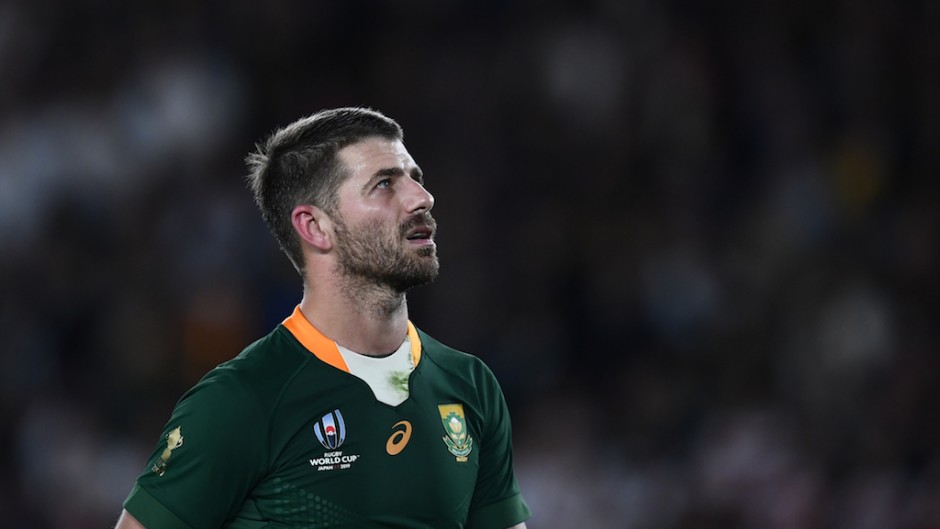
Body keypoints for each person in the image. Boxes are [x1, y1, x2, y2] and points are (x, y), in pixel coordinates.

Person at [115, 107, 531, 529]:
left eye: (415, 178)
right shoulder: (241, 400)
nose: (421, 198)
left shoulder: (470, 385)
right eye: (384, 184)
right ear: (315, 227)